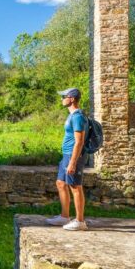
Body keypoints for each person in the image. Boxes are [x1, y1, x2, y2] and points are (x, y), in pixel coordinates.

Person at [46, 88, 88, 230]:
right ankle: (64, 217)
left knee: (75, 186)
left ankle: (80, 221)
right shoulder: (72, 115)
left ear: (72, 99)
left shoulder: (77, 117)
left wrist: (72, 162)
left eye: (64, 96)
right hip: (67, 155)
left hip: (73, 155)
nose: (61, 99)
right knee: (60, 183)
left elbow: (79, 142)